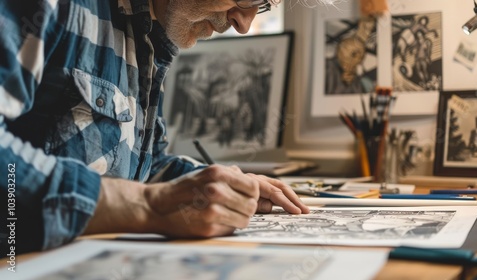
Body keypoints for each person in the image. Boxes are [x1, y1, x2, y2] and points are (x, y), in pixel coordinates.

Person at [0, 0, 310, 255]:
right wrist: (145, 206)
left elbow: (143, 168)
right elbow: (145, 197)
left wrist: (221, 189)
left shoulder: (149, 36)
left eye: (264, 4)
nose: (244, 24)